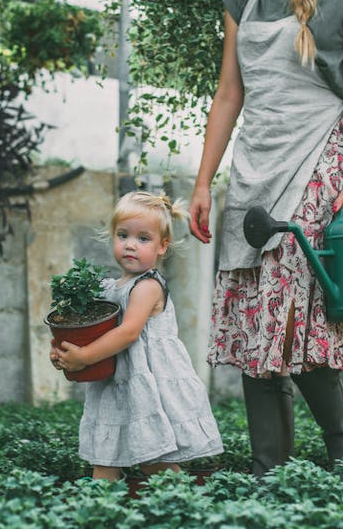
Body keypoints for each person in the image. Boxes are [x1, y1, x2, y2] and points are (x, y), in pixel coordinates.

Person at [188, 0, 343, 475]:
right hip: (254, 168)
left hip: (317, 158)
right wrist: (202, 184)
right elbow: (228, 94)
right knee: (258, 312)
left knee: (294, 308)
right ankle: (269, 470)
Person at [51, 191, 224, 481]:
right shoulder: (108, 286)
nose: (131, 245)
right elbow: (86, 328)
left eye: (143, 239)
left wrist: (84, 357)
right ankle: (101, 513)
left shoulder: (147, 286)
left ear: (162, 246)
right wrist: (66, 351)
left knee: (154, 460)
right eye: (123, 235)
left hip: (148, 384)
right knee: (104, 459)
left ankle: (186, 511)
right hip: (115, 385)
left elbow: (129, 332)